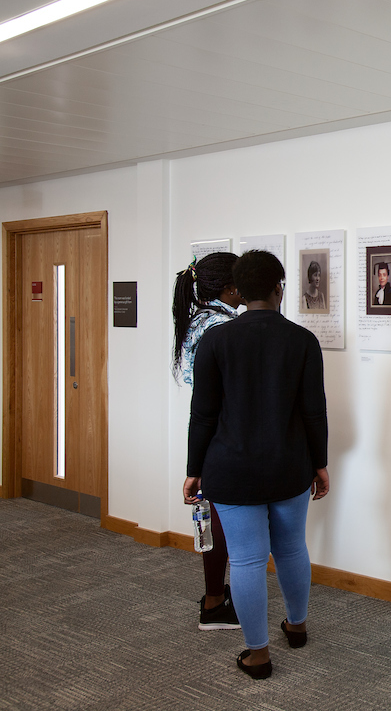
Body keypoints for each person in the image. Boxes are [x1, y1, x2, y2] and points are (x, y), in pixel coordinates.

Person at [184, 250, 330, 680]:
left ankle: (258, 654)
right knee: (291, 548)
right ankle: (297, 627)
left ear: (239, 293)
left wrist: (194, 468)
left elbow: (203, 415)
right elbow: (314, 412)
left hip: (231, 469)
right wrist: (319, 464)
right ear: (278, 288)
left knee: (247, 561)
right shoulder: (303, 341)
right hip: (289, 466)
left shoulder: (215, 341)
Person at [171, 251, 242, 631]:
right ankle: (214, 601)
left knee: (214, 518)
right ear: (231, 287)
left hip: (209, 428)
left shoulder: (201, 319)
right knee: (218, 521)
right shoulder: (220, 328)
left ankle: (215, 594)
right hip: (220, 431)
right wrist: (193, 468)